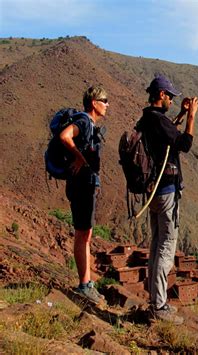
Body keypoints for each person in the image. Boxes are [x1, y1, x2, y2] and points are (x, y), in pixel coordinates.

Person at [137, 75, 198, 324]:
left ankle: (155, 300)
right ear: (161, 95)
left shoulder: (147, 118)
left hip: (153, 192)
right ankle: (159, 305)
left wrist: (181, 116)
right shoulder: (156, 120)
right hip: (165, 192)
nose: (172, 100)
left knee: (155, 245)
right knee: (166, 247)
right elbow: (184, 143)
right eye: (170, 96)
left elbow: (167, 136)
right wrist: (192, 116)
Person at [59, 86, 109, 304]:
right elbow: (64, 136)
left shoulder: (89, 124)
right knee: (82, 234)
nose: (107, 104)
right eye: (104, 100)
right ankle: (84, 285)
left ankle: (87, 283)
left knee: (85, 233)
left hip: (83, 184)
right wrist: (79, 157)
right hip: (81, 185)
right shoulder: (84, 122)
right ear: (93, 103)